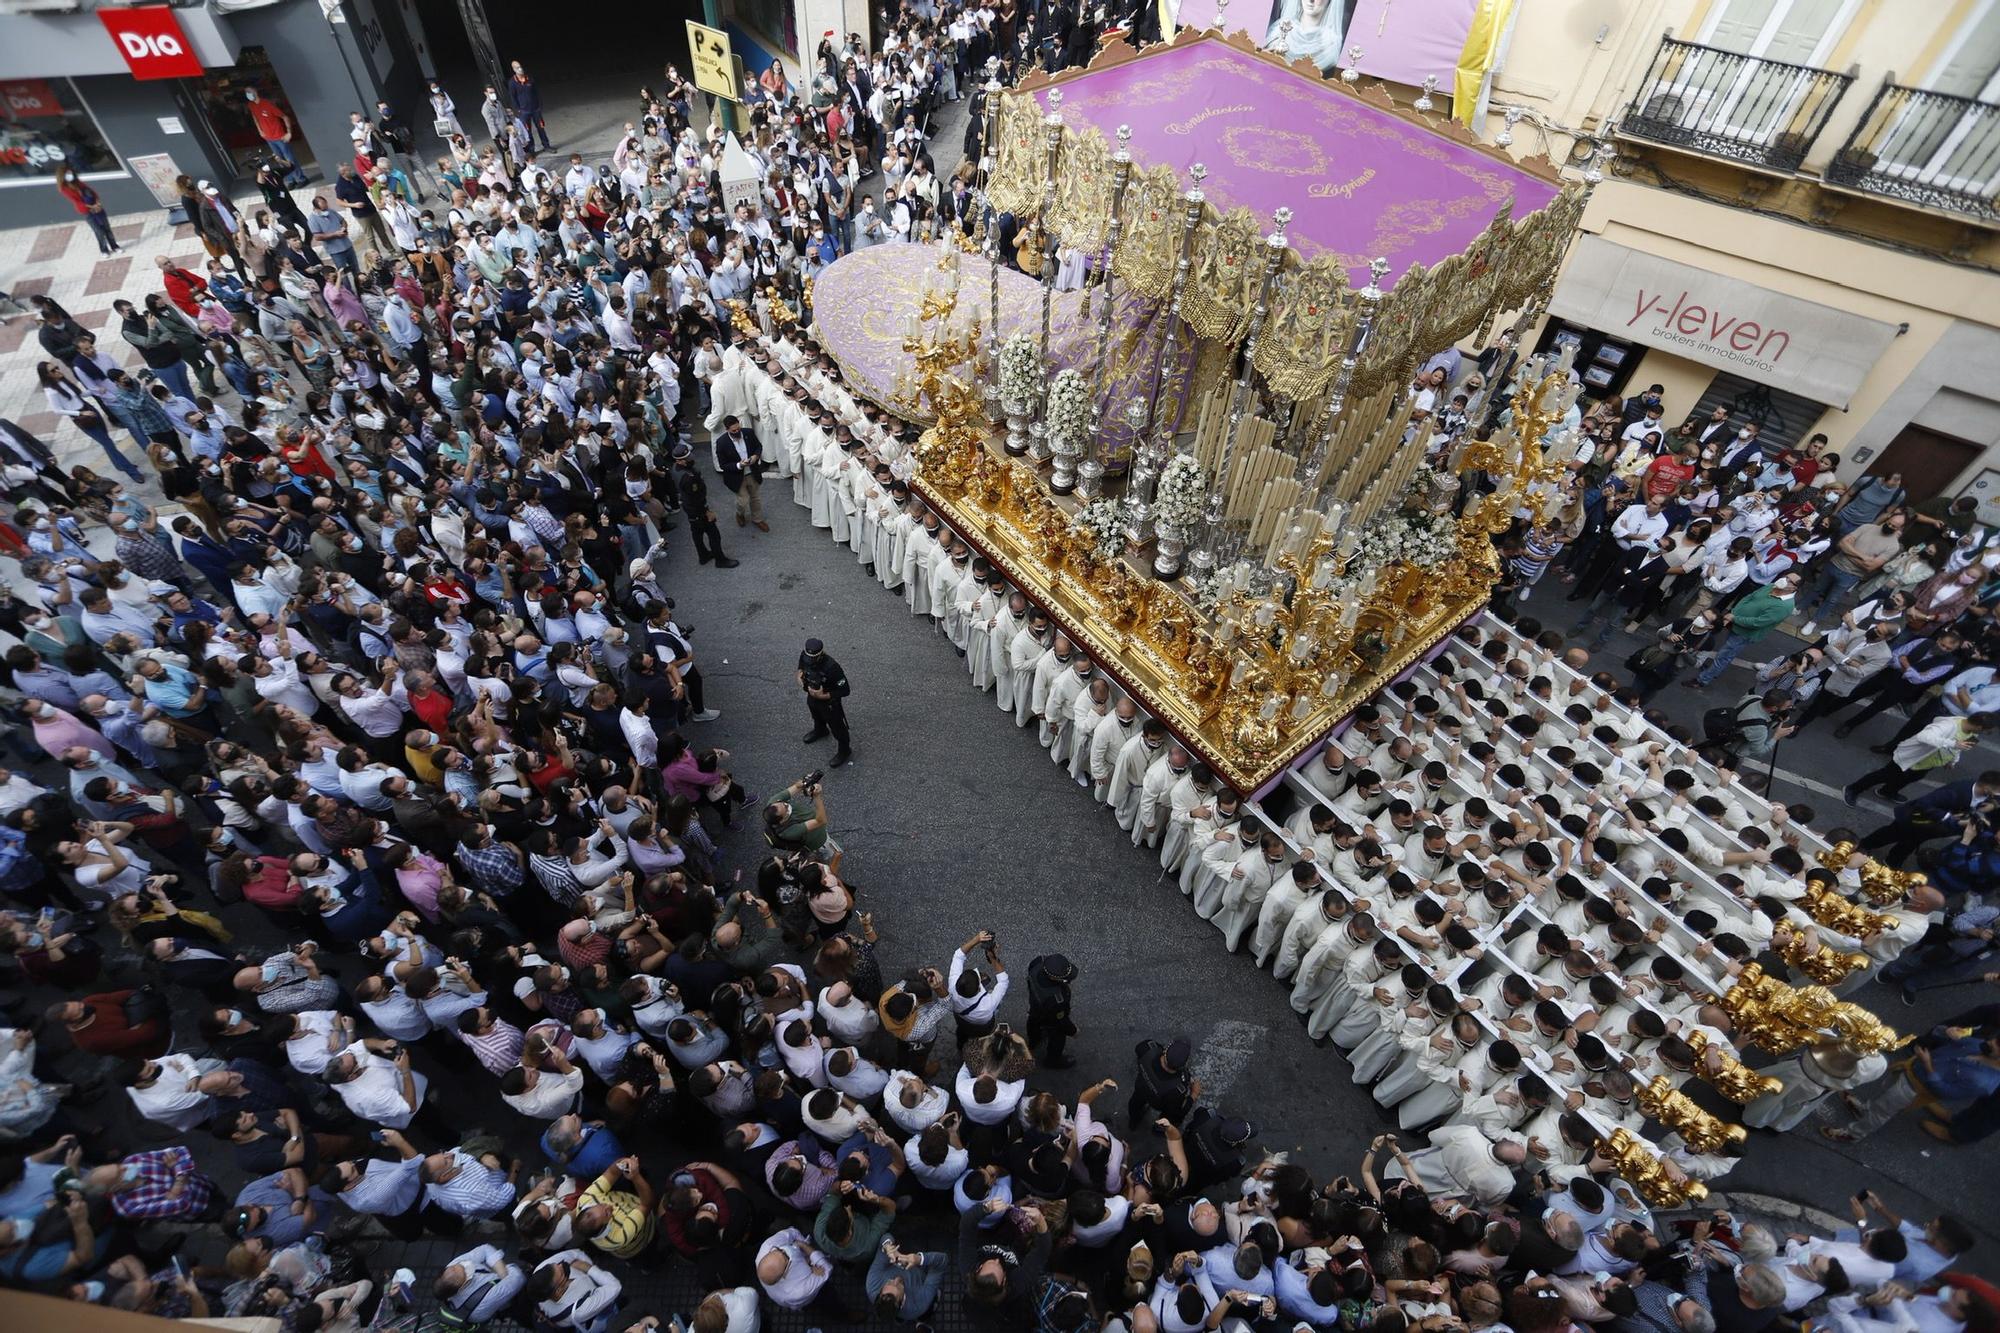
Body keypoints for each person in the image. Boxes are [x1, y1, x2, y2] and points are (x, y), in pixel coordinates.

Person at [798, 637, 853, 767]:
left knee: (838, 728)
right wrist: (801, 681)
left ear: (821, 654)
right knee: (815, 714)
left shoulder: (832, 668)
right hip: (812, 695)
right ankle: (821, 730)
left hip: (829, 702)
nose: (810, 661)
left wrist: (823, 695)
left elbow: (845, 690)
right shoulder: (805, 656)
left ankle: (845, 750)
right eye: (808, 657)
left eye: (813, 658)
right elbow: (800, 669)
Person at [1024, 952, 1077, 1068]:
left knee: (1033, 1022)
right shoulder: (1057, 999)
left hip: (1035, 1006)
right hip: (1050, 1015)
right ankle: (1053, 1061)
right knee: (1058, 1038)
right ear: (1053, 977)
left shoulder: (1037, 962)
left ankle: (1033, 1041)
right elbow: (1062, 1020)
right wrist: (1073, 1031)